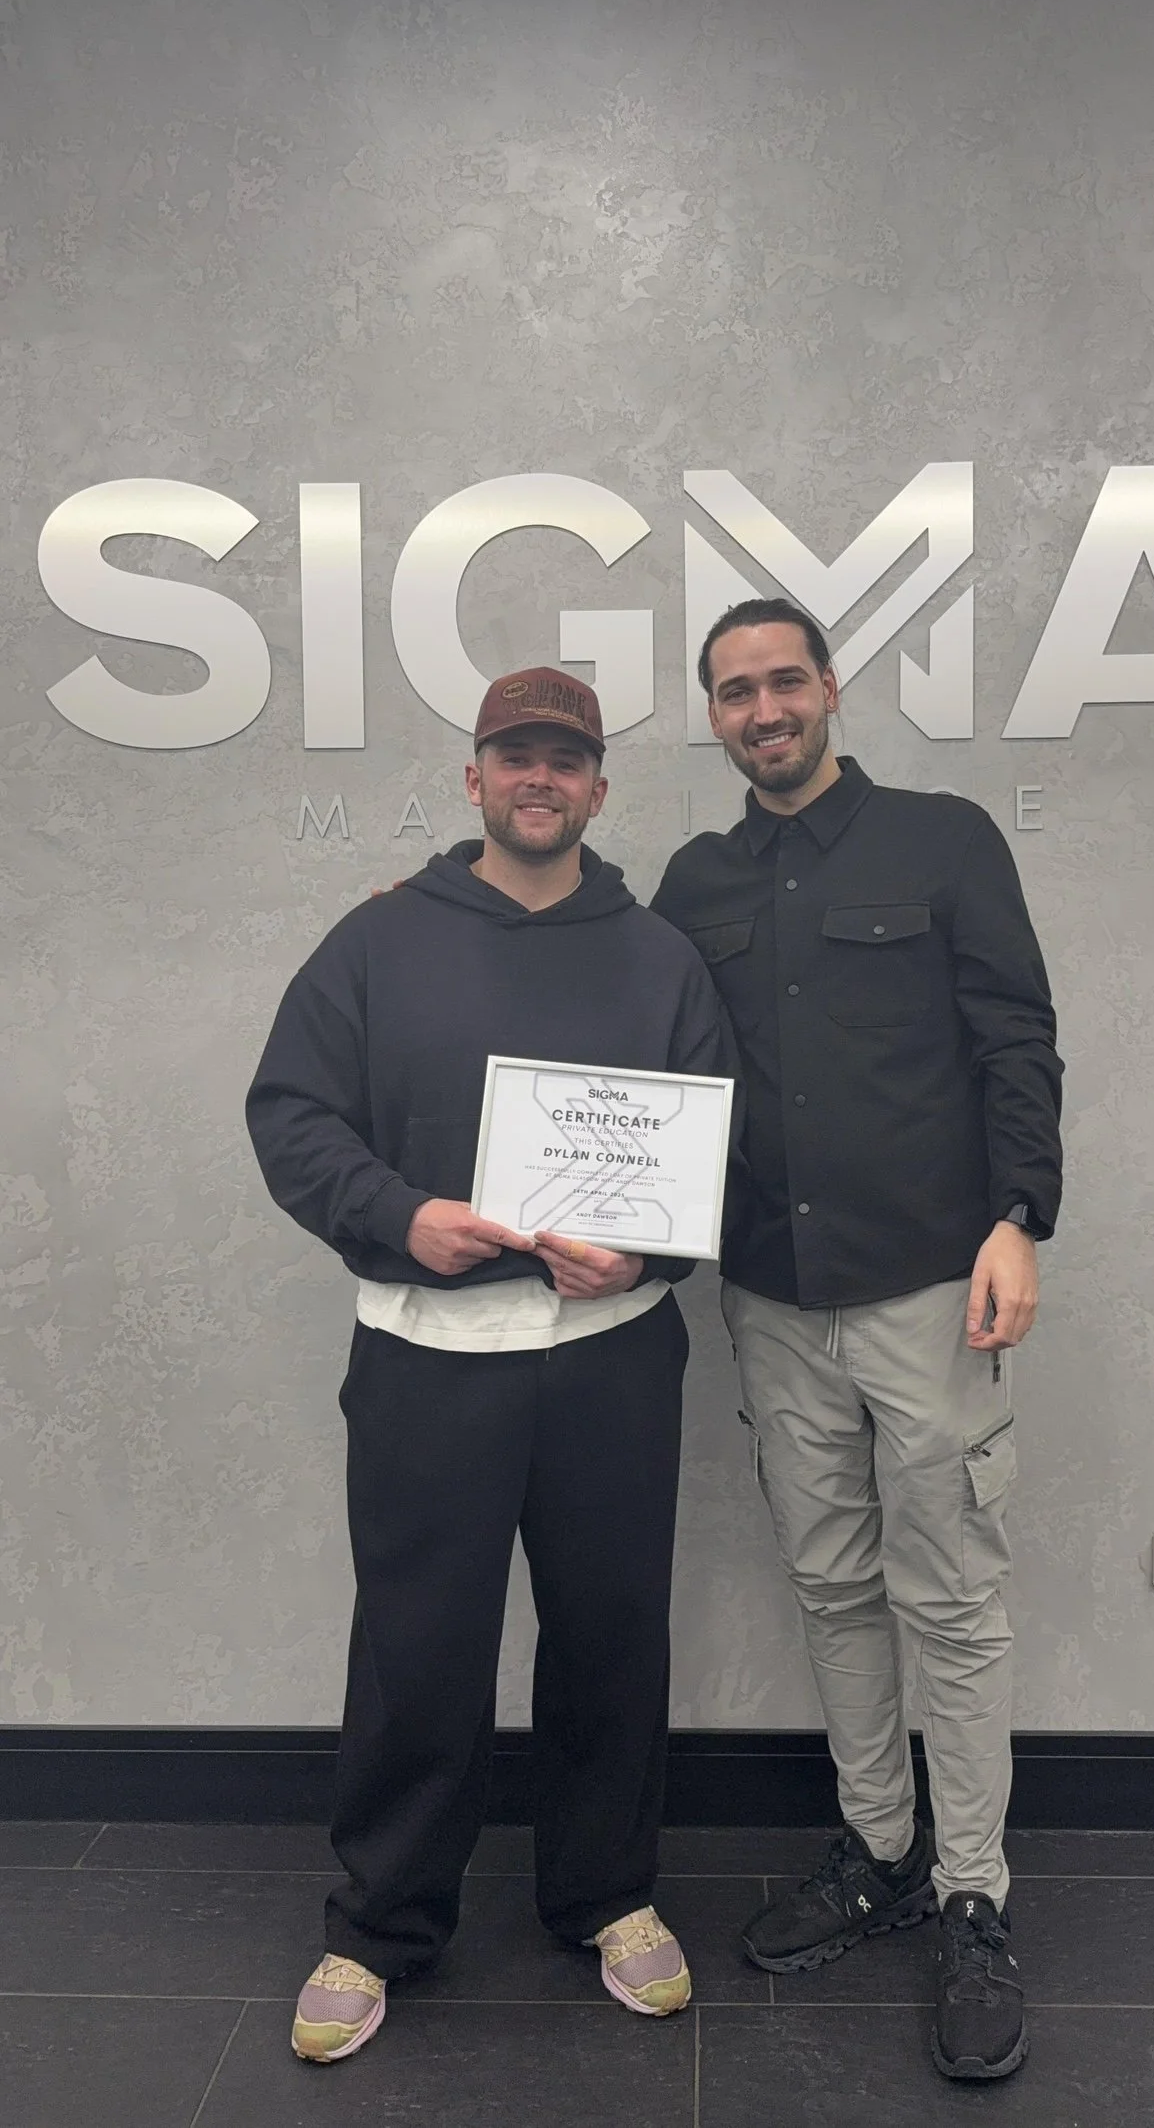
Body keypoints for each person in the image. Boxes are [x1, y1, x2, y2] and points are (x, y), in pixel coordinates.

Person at [247, 667, 737, 2063]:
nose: (541, 778)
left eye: (567, 760)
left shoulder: (659, 958)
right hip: (426, 1356)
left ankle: (608, 1894)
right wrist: (400, 1215)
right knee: (418, 1649)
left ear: (598, 786)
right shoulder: (376, 940)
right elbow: (292, 1115)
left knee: (610, 1634)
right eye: (515, 756)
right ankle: (382, 1920)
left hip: (610, 1361)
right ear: (473, 778)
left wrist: (646, 1259)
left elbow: (710, 1149)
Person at [652, 599, 1063, 2084]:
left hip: (927, 1291)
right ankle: (880, 1847)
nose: (762, 708)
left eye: (782, 680)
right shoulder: (693, 881)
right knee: (832, 1584)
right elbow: (625, 1035)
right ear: (713, 714)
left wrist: (1021, 1212)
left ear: (828, 687)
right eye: (733, 691)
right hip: (770, 1293)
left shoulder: (944, 841)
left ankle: (971, 1896)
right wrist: (434, 901)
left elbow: (1017, 1034)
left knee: (948, 1592)